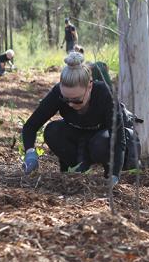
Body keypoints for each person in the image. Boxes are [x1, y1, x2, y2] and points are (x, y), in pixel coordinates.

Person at [20, 52, 125, 186]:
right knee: (52, 130)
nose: (70, 104)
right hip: (75, 137)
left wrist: (115, 174)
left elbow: (118, 138)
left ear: (90, 87)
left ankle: (106, 173)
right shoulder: (57, 93)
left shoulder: (105, 94)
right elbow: (30, 126)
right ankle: (76, 170)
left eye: (76, 100)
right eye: (65, 99)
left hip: (100, 139)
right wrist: (30, 153)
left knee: (102, 142)